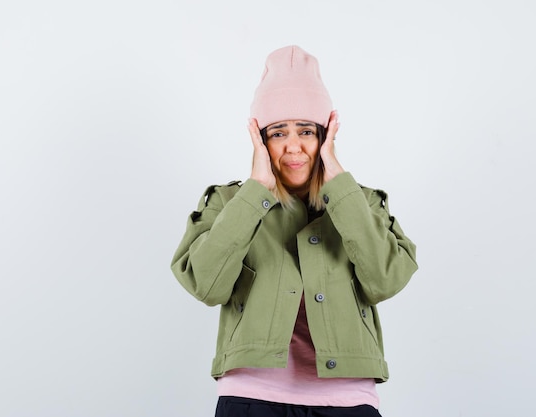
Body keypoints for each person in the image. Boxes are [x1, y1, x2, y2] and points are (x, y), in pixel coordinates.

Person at [170, 45, 418, 417]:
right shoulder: (230, 202)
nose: (293, 147)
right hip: (251, 398)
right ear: (260, 139)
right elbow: (206, 285)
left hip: (347, 401)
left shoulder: (360, 203)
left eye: (306, 130)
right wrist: (255, 192)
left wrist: (340, 185)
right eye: (277, 133)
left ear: (325, 135)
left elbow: (385, 280)